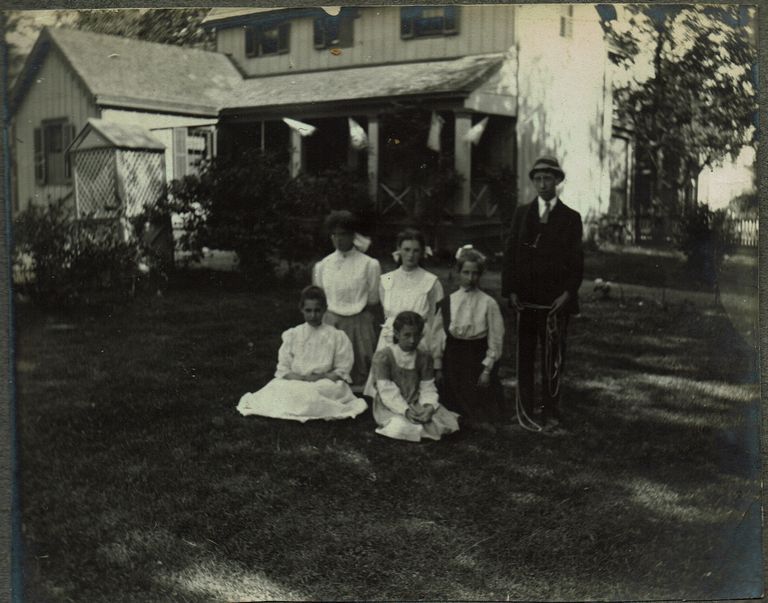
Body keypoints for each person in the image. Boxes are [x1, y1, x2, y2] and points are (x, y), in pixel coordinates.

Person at [501, 156, 583, 433]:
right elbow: (511, 254)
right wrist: (510, 290)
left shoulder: (571, 218)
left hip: (554, 303)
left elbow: (576, 261)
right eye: (537, 178)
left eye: (548, 178)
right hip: (525, 300)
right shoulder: (522, 214)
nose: (542, 183)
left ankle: (550, 411)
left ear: (557, 181)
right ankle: (523, 408)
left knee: (553, 358)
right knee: (524, 356)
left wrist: (568, 294)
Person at [237, 286, 367, 422]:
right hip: (296, 380)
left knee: (316, 393)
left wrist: (320, 377)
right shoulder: (293, 335)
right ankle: (305, 404)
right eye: (308, 311)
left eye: (317, 311)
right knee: (281, 388)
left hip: (325, 382)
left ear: (325, 309)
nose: (313, 315)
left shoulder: (337, 336)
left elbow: (342, 370)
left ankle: (305, 405)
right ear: (301, 310)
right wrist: (302, 379)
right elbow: (283, 368)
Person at [363, 228, 444, 397]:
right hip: (392, 337)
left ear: (422, 253)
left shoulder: (431, 281)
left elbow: (435, 321)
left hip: (418, 339)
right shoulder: (387, 279)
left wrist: (435, 357)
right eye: (406, 250)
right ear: (399, 250)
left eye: (416, 250)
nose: (411, 255)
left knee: (415, 392)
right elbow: (387, 311)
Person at [439, 245, 505, 434]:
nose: (470, 278)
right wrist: (438, 364)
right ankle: (460, 418)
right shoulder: (449, 301)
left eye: (475, 273)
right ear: (458, 272)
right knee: (450, 399)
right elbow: (438, 337)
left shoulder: (488, 303)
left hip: (476, 357)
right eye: (466, 272)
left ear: (480, 275)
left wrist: (487, 368)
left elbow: (496, 338)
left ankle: (475, 418)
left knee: (480, 396)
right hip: (453, 357)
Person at [312, 210, 381, 392]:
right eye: (334, 234)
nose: (338, 239)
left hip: (360, 322)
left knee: (360, 371)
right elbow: (319, 297)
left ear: (353, 235)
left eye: (343, 234)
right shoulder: (322, 266)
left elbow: (373, 298)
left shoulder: (369, 264)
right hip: (331, 322)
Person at [370, 311, 459, 442]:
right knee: (400, 426)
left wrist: (429, 407)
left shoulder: (424, 357)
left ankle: (421, 424)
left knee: (441, 422)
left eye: (416, 335)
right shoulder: (383, 357)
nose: (412, 340)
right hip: (391, 404)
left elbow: (427, 386)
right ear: (396, 334)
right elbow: (386, 391)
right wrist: (404, 410)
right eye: (407, 335)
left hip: (416, 401)